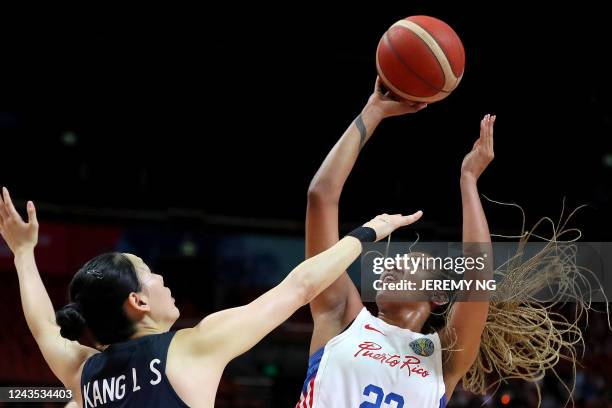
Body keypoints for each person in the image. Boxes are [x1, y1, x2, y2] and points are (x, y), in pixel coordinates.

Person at [0, 186, 422, 407]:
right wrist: (369, 232)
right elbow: (300, 287)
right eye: (149, 273)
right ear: (138, 302)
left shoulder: (85, 374)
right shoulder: (190, 347)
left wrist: (22, 254)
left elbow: (43, 331)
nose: (162, 277)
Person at [298, 76, 497, 407]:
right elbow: (320, 197)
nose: (392, 265)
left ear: (437, 295)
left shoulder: (443, 357)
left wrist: (468, 179)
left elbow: (479, 276)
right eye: (393, 261)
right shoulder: (342, 315)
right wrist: (373, 110)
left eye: (409, 263)